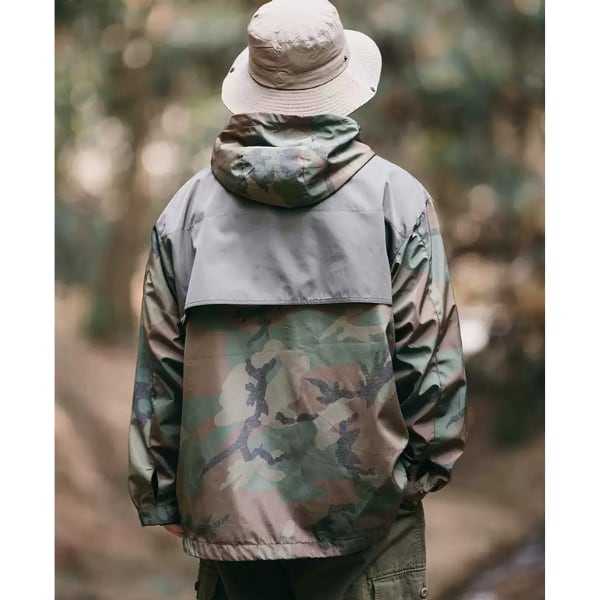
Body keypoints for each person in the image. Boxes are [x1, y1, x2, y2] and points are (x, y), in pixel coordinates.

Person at [128, 1, 467, 598]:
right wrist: (404, 483)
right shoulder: (398, 201)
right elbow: (432, 371)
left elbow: (161, 374)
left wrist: (166, 494)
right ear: (341, 85)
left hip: (231, 531)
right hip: (370, 530)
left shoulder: (186, 215)